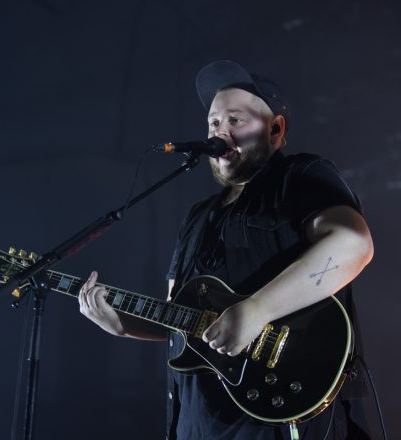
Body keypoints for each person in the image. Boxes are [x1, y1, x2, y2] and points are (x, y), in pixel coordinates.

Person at [78, 60, 374, 439]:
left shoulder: (300, 177)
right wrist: (122, 325)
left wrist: (256, 310)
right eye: (214, 123)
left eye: (236, 120)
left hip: (277, 414)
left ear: (276, 129)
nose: (221, 132)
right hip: (198, 420)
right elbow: (180, 316)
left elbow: (354, 243)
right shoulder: (198, 217)